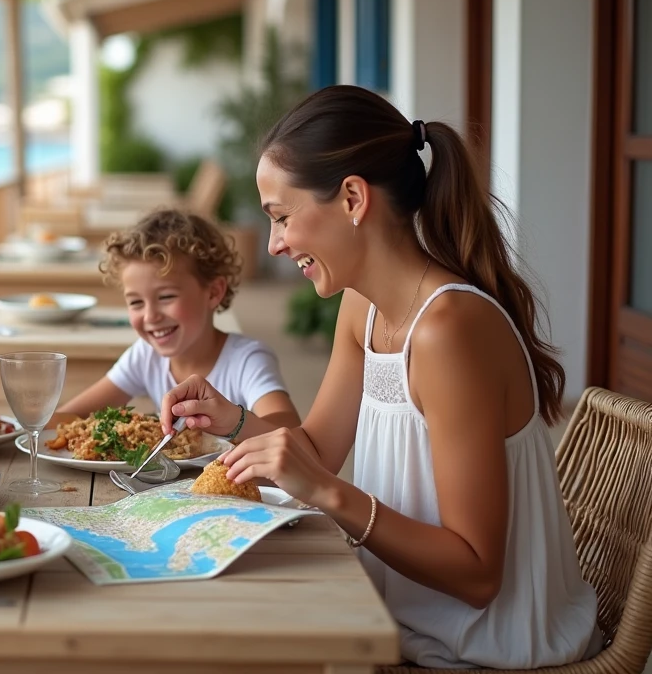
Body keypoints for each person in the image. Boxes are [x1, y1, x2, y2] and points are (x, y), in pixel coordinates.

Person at [160, 85, 601, 668]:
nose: (275, 243)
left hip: (480, 645)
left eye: (283, 217)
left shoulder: (448, 331)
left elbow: (477, 575)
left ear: (351, 198)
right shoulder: (362, 309)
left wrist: (326, 493)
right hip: (389, 609)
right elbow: (317, 450)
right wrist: (231, 418)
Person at [58, 208, 299, 433]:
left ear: (214, 292)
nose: (151, 316)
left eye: (166, 297)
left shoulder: (247, 360)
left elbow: (288, 431)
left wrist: (233, 422)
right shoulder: (144, 356)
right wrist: (23, 427)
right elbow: (72, 416)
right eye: (136, 303)